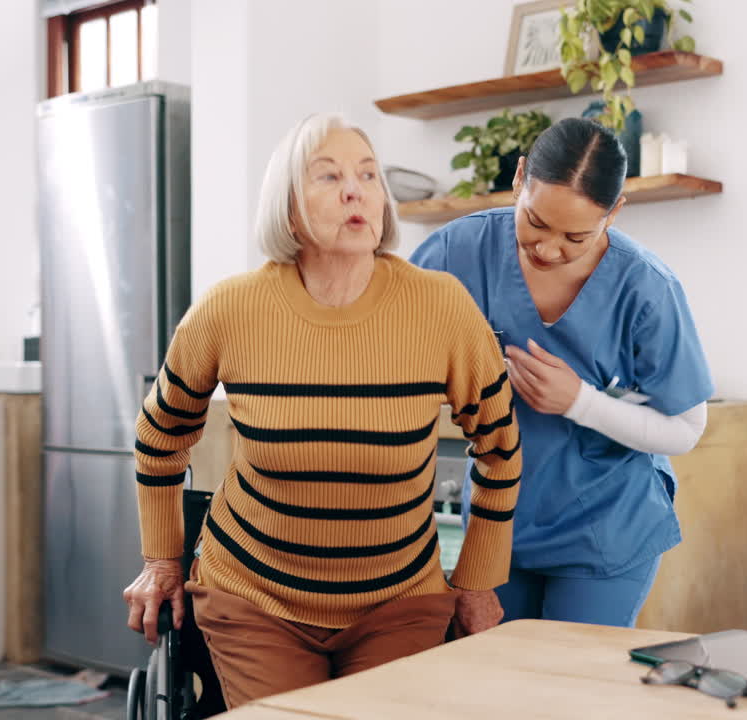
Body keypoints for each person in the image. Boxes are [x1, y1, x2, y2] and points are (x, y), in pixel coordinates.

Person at [122, 113, 522, 707]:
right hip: (255, 598)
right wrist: (162, 561)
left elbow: (499, 448)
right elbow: (161, 435)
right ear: (288, 208)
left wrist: (476, 581)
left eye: (367, 175)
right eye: (328, 176)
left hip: (398, 601)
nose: (355, 189)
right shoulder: (231, 309)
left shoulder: (440, 308)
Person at [410, 117, 711, 628]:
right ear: (520, 178)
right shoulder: (455, 253)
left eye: (576, 236)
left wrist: (579, 402)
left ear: (614, 212)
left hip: (605, 526)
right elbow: (393, 362)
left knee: (574, 692)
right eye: (535, 223)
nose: (549, 250)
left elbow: (686, 429)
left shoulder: (645, 288)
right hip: (496, 524)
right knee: (499, 690)